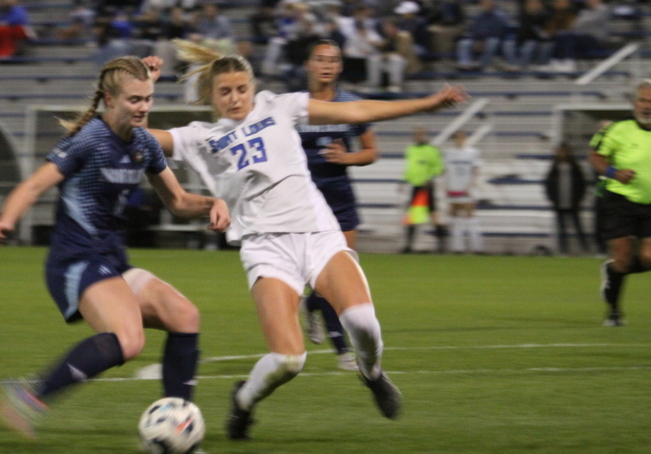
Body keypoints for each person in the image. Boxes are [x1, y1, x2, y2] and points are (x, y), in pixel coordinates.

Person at [149, 40, 466, 439]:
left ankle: (372, 374)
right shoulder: (200, 136)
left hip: (317, 231)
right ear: (211, 96)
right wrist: (132, 97)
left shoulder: (279, 106)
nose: (235, 98)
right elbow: (141, 137)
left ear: (253, 87)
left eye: (241, 89)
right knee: (288, 359)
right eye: (225, 91)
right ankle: (243, 401)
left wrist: (425, 104)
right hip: (266, 248)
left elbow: (356, 111)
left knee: (363, 322)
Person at [0, 56, 231, 439]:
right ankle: (29, 396)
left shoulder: (145, 144)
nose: (144, 107)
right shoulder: (88, 141)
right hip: (76, 260)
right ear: (109, 99)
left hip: (111, 261)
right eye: (135, 100)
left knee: (185, 316)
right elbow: (34, 185)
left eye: (148, 99)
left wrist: (213, 204)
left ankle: (178, 425)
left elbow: (179, 201)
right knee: (129, 340)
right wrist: (6, 220)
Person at [297, 40, 378, 371]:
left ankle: (311, 304)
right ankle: (343, 350)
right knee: (325, 277)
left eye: (333, 60)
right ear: (309, 65)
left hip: (340, 198)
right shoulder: (295, 107)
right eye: (320, 59)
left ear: (340, 67)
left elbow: (371, 151)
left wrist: (347, 157)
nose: (327, 65)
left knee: (345, 273)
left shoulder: (350, 105)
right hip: (305, 201)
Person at [589, 80, 651, 327]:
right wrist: (614, 173)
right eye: (643, 100)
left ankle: (612, 270)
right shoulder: (618, 129)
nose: (647, 106)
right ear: (634, 103)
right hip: (619, 200)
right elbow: (595, 156)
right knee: (624, 257)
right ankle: (614, 310)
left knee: (649, 258)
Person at [401, 126, 446, 253]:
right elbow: (410, 168)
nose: (418, 136)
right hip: (415, 186)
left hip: (426, 185)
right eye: (416, 134)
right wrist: (404, 181)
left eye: (420, 134)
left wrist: (430, 177)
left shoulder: (431, 150)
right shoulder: (411, 150)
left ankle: (441, 246)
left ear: (425, 135)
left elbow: (439, 167)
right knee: (415, 215)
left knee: (432, 214)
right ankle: (409, 245)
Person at [545, 141, 588, 254]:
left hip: (573, 203)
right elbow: (548, 186)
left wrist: (578, 199)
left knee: (578, 228)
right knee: (562, 229)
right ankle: (564, 250)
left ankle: (585, 249)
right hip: (559, 204)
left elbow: (582, 185)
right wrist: (554, 200)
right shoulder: (554, 169)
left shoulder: (574, 168)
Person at [445, 130, 483, 254]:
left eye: (461, 137)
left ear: (465, 138)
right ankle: (458, 248)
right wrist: (446, 187)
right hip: (454, 188)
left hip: (467, 189)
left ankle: (477, 248)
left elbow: (476, 170)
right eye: (457, 138)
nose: (459, 140)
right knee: (455, 216)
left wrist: (472, 185)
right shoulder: (449, 153)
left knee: (470, 216)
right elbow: (447, 172)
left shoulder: (472, 153)